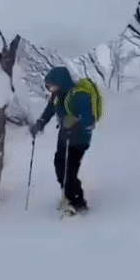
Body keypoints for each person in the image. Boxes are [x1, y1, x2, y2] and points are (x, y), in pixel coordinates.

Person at [30, 66, 95, 213]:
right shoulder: (57, 96)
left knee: (69, 170)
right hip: (64, 137)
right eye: (48, 86)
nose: (50, 89)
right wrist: (39, 124)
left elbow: (89, 122)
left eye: (51, 85)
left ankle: (77, 201)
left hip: (79, 139)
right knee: (59, 165)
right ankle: (68, 193)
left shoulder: (80, 96)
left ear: (61, 82)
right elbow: (49, 111)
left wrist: (75, 122)